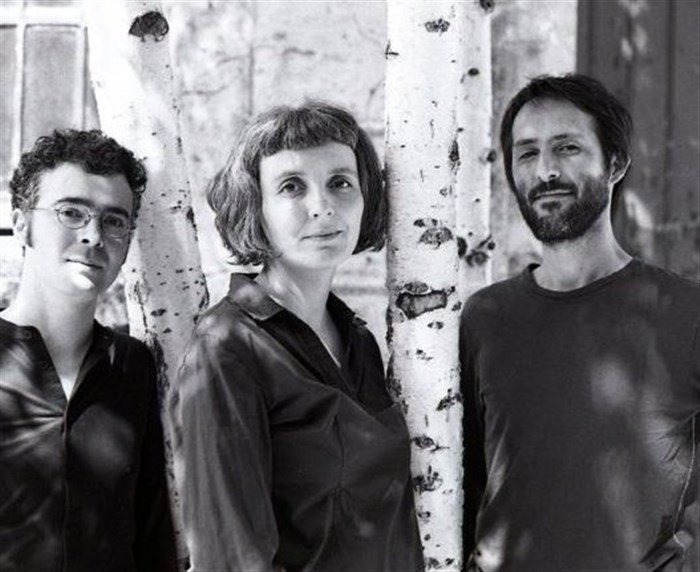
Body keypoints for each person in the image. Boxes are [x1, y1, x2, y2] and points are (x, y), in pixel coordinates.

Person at [171, 102, 424, 571]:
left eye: (340, 182)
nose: (322, 206)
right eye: (292, 186)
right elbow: (231, 558)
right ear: (257, 208)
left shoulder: (358, 340)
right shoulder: (227, 348)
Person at [461, 74, 699, 571]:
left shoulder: (685, 312)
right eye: (527, 153)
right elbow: (462, 482)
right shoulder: (484, 318)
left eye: (566, 147)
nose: (545, 170)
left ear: (615, 163)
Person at [0, 129, 178, 572]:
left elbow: (152, 537)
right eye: (71, 213)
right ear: (21, 224)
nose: (94, 235)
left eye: (114, 221)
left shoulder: (132, 366)